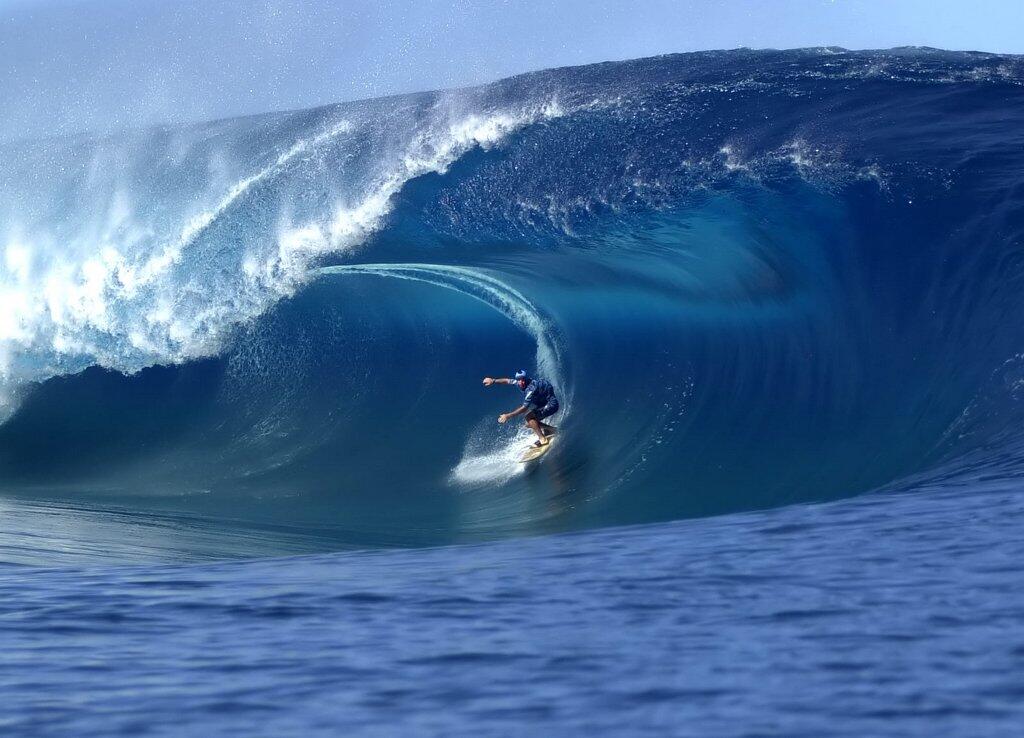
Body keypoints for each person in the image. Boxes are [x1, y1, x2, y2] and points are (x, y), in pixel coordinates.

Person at [482, 369, 559, 447]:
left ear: (525, 379)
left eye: (522, 380)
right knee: (529, 424)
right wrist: (493, 380)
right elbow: (507, 381)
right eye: (519, 380)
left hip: (551, 404)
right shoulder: (519, 383)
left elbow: (524, 408)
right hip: (543, 404)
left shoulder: (531, 389)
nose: (520, 382)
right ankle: (551, 430)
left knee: (529, 417)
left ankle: (543, 439)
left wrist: (508, 416)